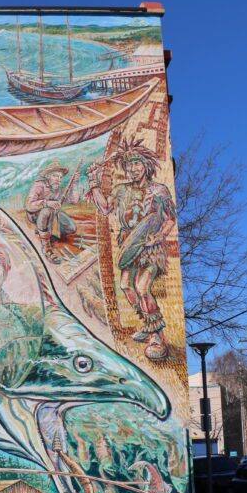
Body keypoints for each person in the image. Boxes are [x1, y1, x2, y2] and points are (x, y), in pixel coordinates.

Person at [86, 138, 176, 359]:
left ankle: (158, 336)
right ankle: (147, 323)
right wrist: (94, 184)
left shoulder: (160, 190)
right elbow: (105, 208)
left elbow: (170, 219)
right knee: (127, 286)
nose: (133, 170)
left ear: (146, 165)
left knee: (142, 287)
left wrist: (158, 237)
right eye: (128, 166)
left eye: (136, 164)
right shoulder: (121, 190)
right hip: (129, 244)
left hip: (150, 245)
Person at [25, 161, 78, 264]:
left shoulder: (60, 189)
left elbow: (74, 200)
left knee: (71, 228)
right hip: (36, 215)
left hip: (53, 215)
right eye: (55, 176)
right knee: (46, 211)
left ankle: (47, 231)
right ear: (48, 176)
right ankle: (46, 248)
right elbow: (29, 206)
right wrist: (47, 203)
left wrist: (75, 184)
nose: (58, 179)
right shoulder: (39, 185)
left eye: (60, 177)